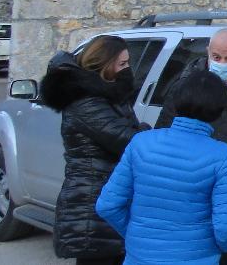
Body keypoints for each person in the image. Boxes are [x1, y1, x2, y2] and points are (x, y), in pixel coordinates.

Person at [96, 71, 227, 265]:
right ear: (219, 109)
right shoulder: (225, 157)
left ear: (177, 100)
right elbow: (226, 231)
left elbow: (107, 205)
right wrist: (212, 248)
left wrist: (137, 236)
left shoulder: (140, 142)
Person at [156, 28, 227, 265]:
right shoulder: (187, 86)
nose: (222, 63)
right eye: (216, 57)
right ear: (208, 52)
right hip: (198, 195)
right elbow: (165, 135)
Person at [39, 34, 147, 265]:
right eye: (122, 64)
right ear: (105, 65)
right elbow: (126, 139)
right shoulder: (86, 103)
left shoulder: (108, 96)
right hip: (91, 207)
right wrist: (149, 131)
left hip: (105, 201)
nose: (127, 69)